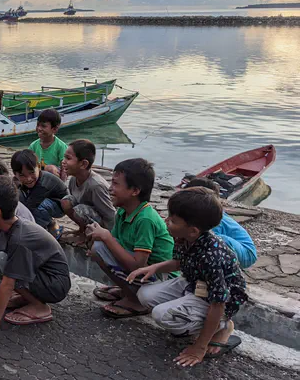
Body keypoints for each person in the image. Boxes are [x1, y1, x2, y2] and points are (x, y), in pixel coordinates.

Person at [130, 187, 248, 366]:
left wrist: (200, 348)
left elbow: (218, 302)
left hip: (218, 299)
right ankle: (194, 317)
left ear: (193, 230)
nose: (166, 221)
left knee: (161, 315)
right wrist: (154, 268)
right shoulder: (182, 237)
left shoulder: (211, 257)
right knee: (144, 295)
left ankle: (221, 326)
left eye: (173, 220)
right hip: (194, 284)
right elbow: (178, 262)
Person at [0, 175, 71, 327]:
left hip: (55, 285)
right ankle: (28, 297)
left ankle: (40, 307)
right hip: (40, 273)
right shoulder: (3, 228)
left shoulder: (20, 238)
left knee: (2, 263)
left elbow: (7, 283)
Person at [87, 158, 175, 318]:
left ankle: (136, 302)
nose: (110, 188)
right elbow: (116, 244)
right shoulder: (122, 212)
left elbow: (137, 265)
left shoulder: (145, 219)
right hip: (144, 271)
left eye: (115, 184)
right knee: (98, 248)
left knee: (100, 247)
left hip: (161, 278)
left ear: (135, 191)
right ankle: (127, 291)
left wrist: (106, 237)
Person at [183, 178, 257, 268]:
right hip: (236, 249)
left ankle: (222, 265)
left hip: (247, 254)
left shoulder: (213, 217)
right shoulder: (205, 211)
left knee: (212, 239)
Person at [60, 139, 116, 236]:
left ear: (83, 164)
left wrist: (109, 238)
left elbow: (111, 216)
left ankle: (90, 235)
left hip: (106, 224)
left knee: (80, 210)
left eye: (68, 158)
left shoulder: (96, 185)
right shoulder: (73, 180)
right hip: (89, 215)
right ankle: (83, 230)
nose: (63, 162)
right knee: (66, 201)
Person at [10, 149, 67, 237]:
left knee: (37, 210)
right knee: (19, 197)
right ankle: (49, 222)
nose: (28, 178)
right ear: (15, 174)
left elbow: (29, 207)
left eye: (32, 172)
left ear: (39, 167)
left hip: (60, 205)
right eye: (22, 175)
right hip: (43, 200)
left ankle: (45, 233)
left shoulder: (43, 183)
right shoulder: (18, 180)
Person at [28, 108, 68, 179]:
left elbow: (64, 170)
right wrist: (45, 168)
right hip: (37, 178)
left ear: (55, 129)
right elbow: (28, 164)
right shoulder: (33, 146)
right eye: (38, 125)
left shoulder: (61, 146)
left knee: (53, 170)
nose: (39, 128)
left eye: (43, 126)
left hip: (53, 180)